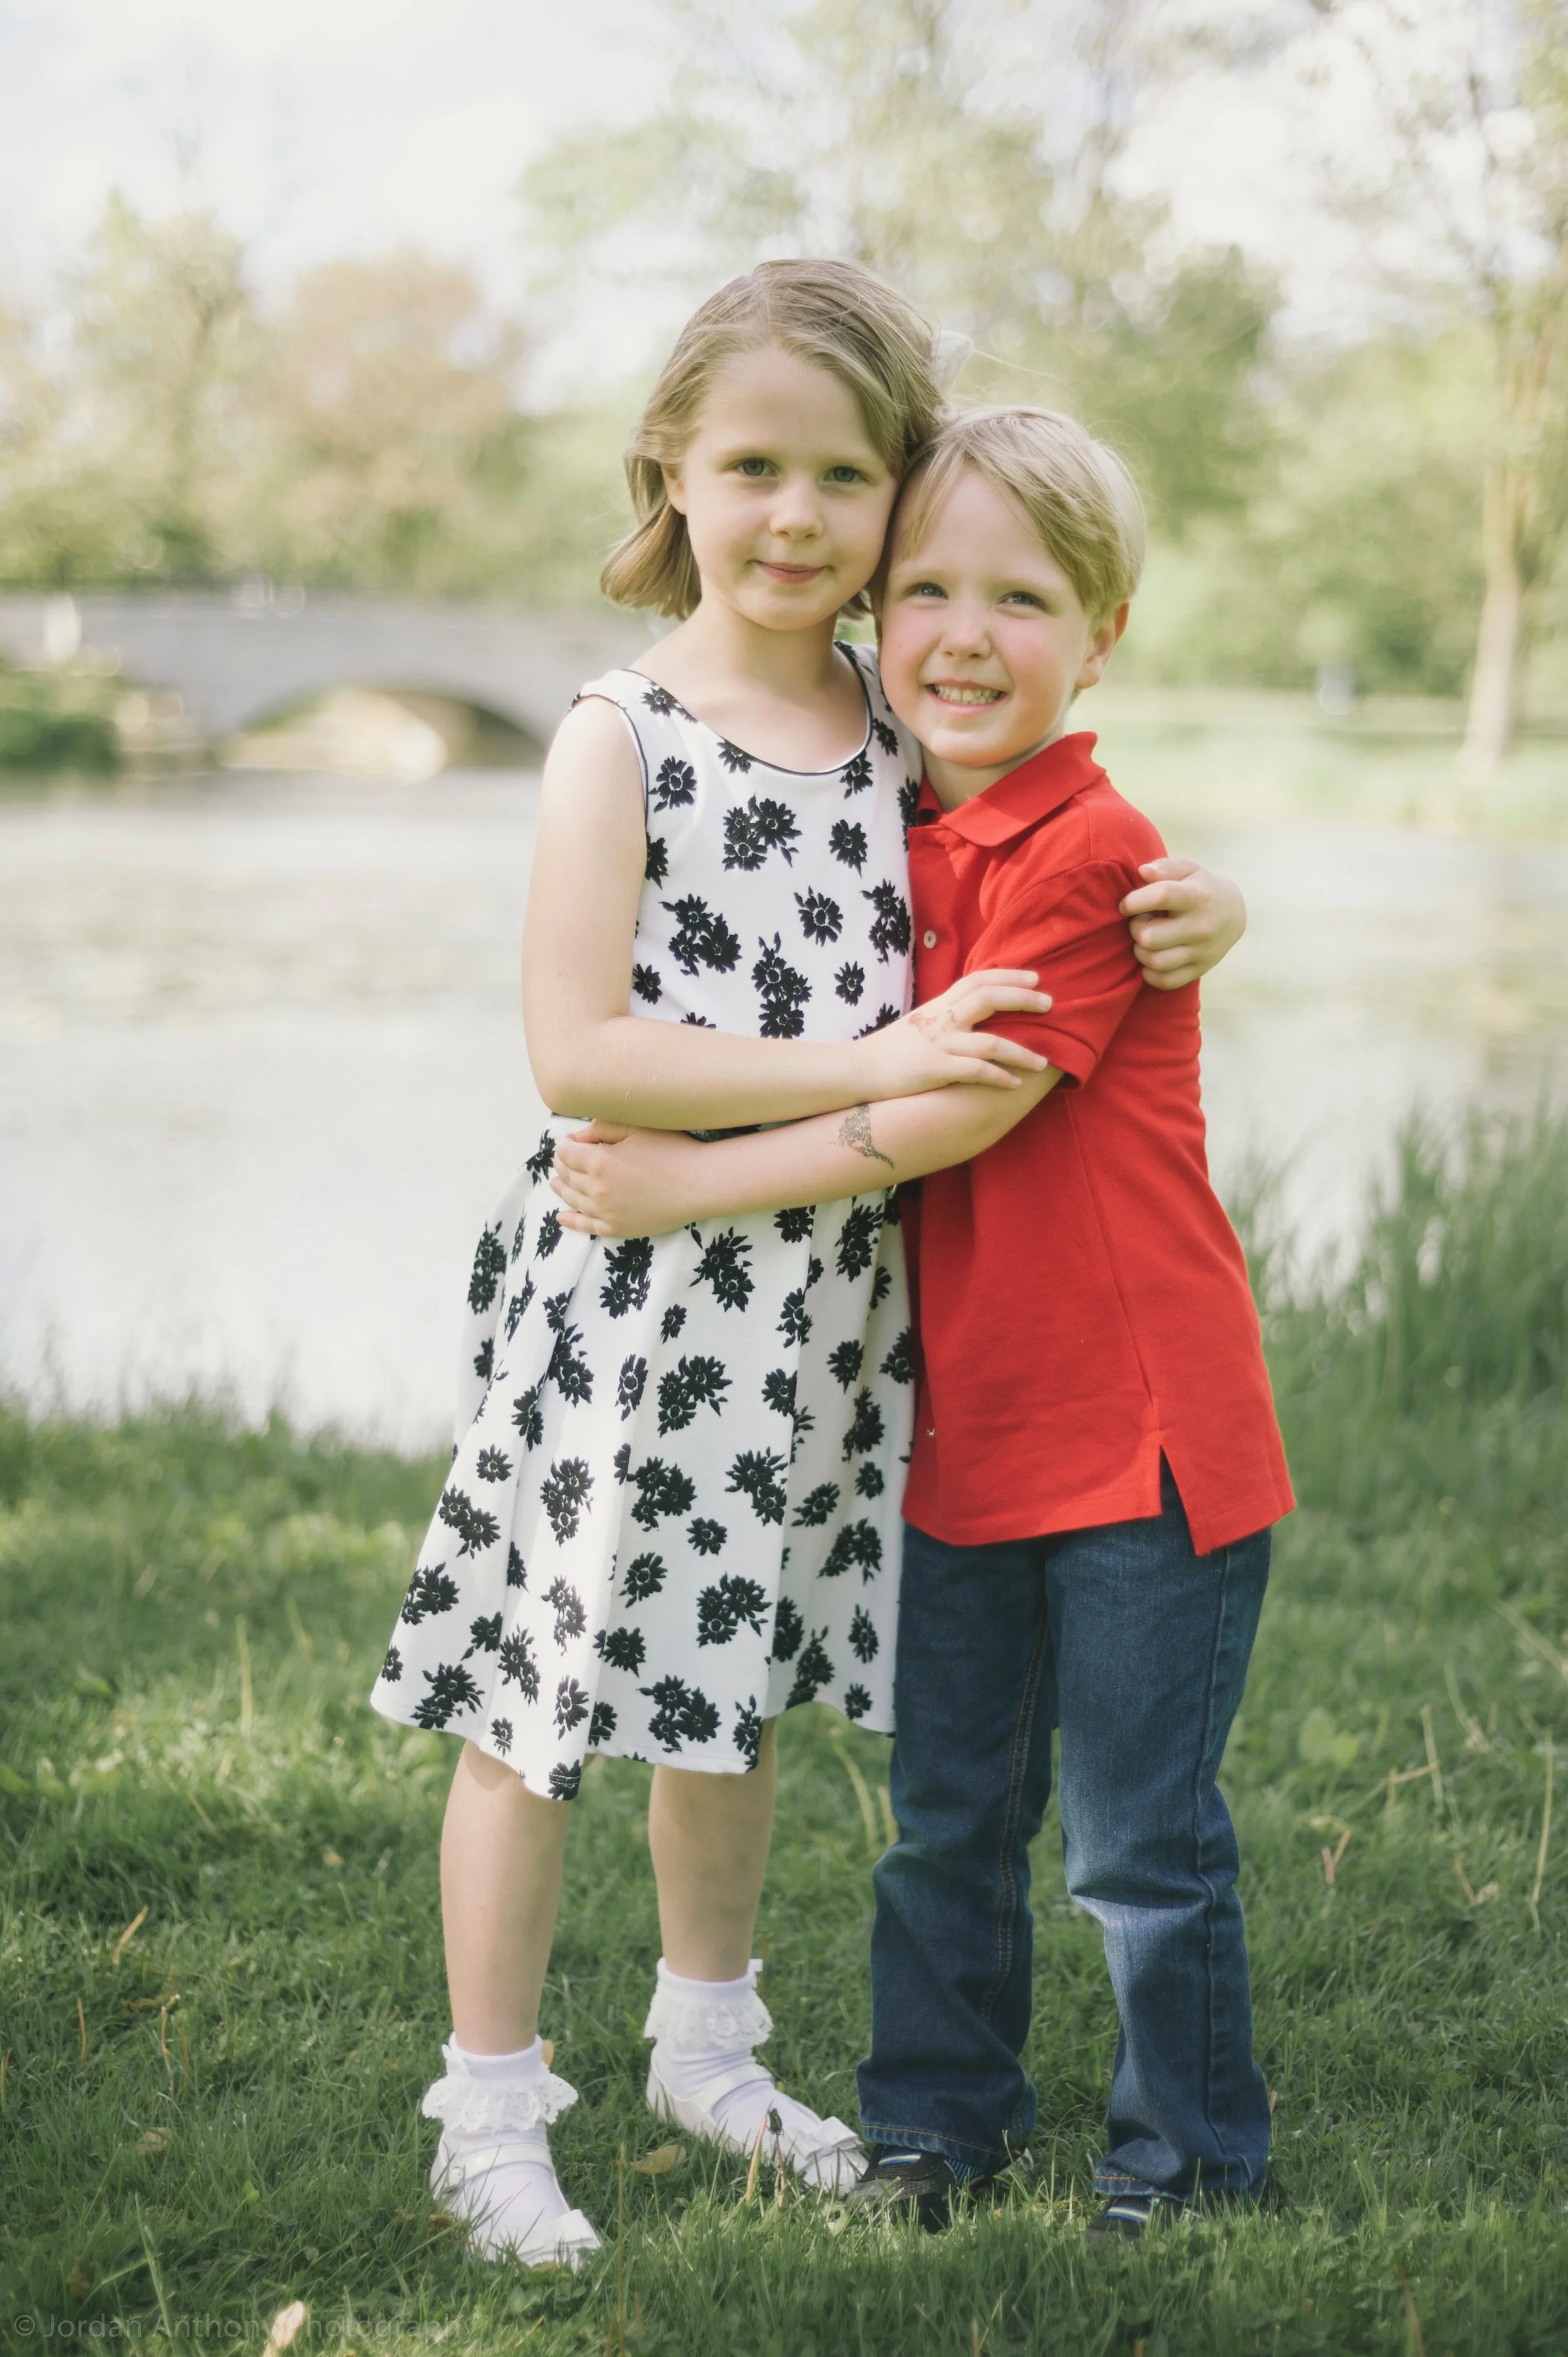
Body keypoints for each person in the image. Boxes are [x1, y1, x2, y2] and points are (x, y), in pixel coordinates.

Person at [373, 260, 1244, 2270]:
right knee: (542, 1700)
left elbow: (1060, 860)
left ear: (895, 503)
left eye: (843, 474)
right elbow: (579, 1051)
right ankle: (488, 2104)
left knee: (733, 1687)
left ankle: (709, 2036)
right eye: (751, 462)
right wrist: (856, 1073)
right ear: (668, 465)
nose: (792, 513)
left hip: (817, 1318)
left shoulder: (884, 714)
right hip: (632, 1294)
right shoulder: (623, 735)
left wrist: (1204, 908)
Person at [549, 403, 1293, 2243]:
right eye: (927, 589)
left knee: (1136, 1849)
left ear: (1101, 630)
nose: (963, 632)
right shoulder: (896, 810)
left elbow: (966, 1107)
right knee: (945, 1823)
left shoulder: (1085, 846)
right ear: (873, 614)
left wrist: (665, 1184)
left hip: (1142, 1435)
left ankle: (1185, 2161)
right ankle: (934, 2129)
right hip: (965, 1429)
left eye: (1021, 596)